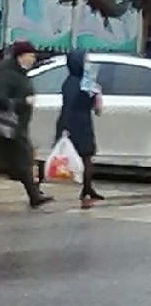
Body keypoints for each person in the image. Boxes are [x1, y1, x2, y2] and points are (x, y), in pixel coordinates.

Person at [0, 40, 52, 208]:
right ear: (20, 56)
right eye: (30, 56)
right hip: (12, 126)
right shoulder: (9, 75)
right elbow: (1, 99)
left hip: (17, 125)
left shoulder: (21, 74)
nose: (33, 59)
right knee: (25, 159)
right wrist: (24, 102)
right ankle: (34, 196)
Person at [56, 48, 104, 208]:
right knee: (84, 156)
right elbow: (74, 106)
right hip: (77, 123)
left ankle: (87, 188)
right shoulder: (79, 83)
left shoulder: (73, 81)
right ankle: (87, 188)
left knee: (85, 156)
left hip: (78, 122)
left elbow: (93, 107)